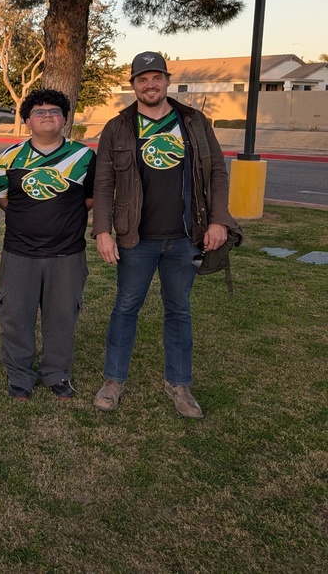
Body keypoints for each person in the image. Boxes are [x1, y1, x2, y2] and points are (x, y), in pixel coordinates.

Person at [92, 51, 238, 419]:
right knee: (126, 307)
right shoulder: (118, 126)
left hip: (185, 237)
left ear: (167, 80)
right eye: (143, 79)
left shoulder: (192, 121)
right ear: (133, 85)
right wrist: (102, 232)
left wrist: (219, 220)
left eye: (156, 77)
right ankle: (114, 380)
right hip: (135, 239)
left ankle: (179, 383)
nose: (150, 84)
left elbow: (217, 173)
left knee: (179, 310)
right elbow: (104, 182)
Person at [0, 90, 95, 400]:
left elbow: (90, 198)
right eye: (39, 111)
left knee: (62, 315)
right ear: (26, 121)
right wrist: (31, 219)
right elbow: (1, 196)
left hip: (67, 252)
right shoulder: (9, 156)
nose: (47, 114)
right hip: (20, 251)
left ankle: (56, 372)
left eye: (54, 110)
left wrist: (61, 218)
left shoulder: (85, 156)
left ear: (65, 119)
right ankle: (20, 374)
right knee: (15, 314)